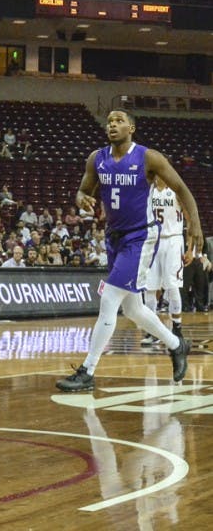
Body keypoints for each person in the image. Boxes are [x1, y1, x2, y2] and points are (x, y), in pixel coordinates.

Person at [56, 110, 203, 392]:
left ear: (131, 128)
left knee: (110, 298)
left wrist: (194, 224)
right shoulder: (96, 158)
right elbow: (82, 190)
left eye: (119, 121)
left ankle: (88, 370)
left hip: (141, 237)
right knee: (133, 308)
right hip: (114, 238)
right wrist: (81, 198)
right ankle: (177, 344)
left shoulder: (149, 157)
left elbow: (182, 188)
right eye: (110, 121)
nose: (112, 125)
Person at [140, 175, 186, 347]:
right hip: (153, 241)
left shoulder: (176, 191)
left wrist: (192, 249)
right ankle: (153, 331)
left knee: (172, 286)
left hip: (173, 239)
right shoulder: (148, 191)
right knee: (149, 289)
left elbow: (189, 216)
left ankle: (177, 329)